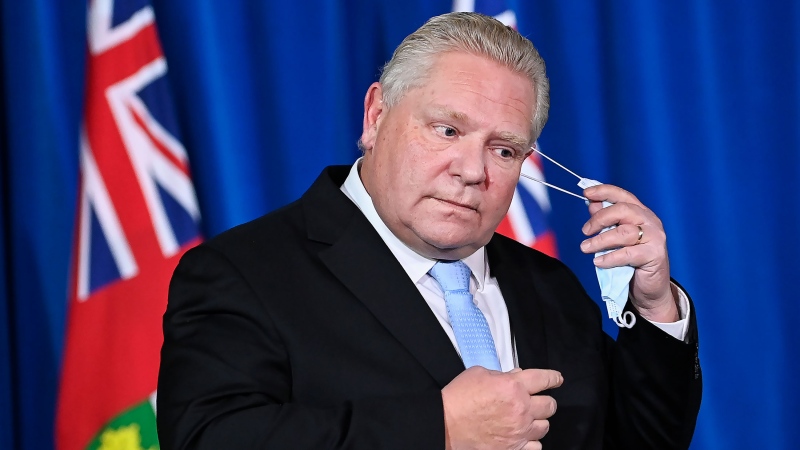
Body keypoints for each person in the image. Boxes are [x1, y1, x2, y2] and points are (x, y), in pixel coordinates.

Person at [157, 12, 701, 450]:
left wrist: (654, 306)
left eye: (504, 150)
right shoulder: (243, 273)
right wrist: (439, 429)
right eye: (447, 130)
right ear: (376, 116)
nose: (472, 171)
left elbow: (641, 441)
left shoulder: (550, 286)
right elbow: (211, 438)